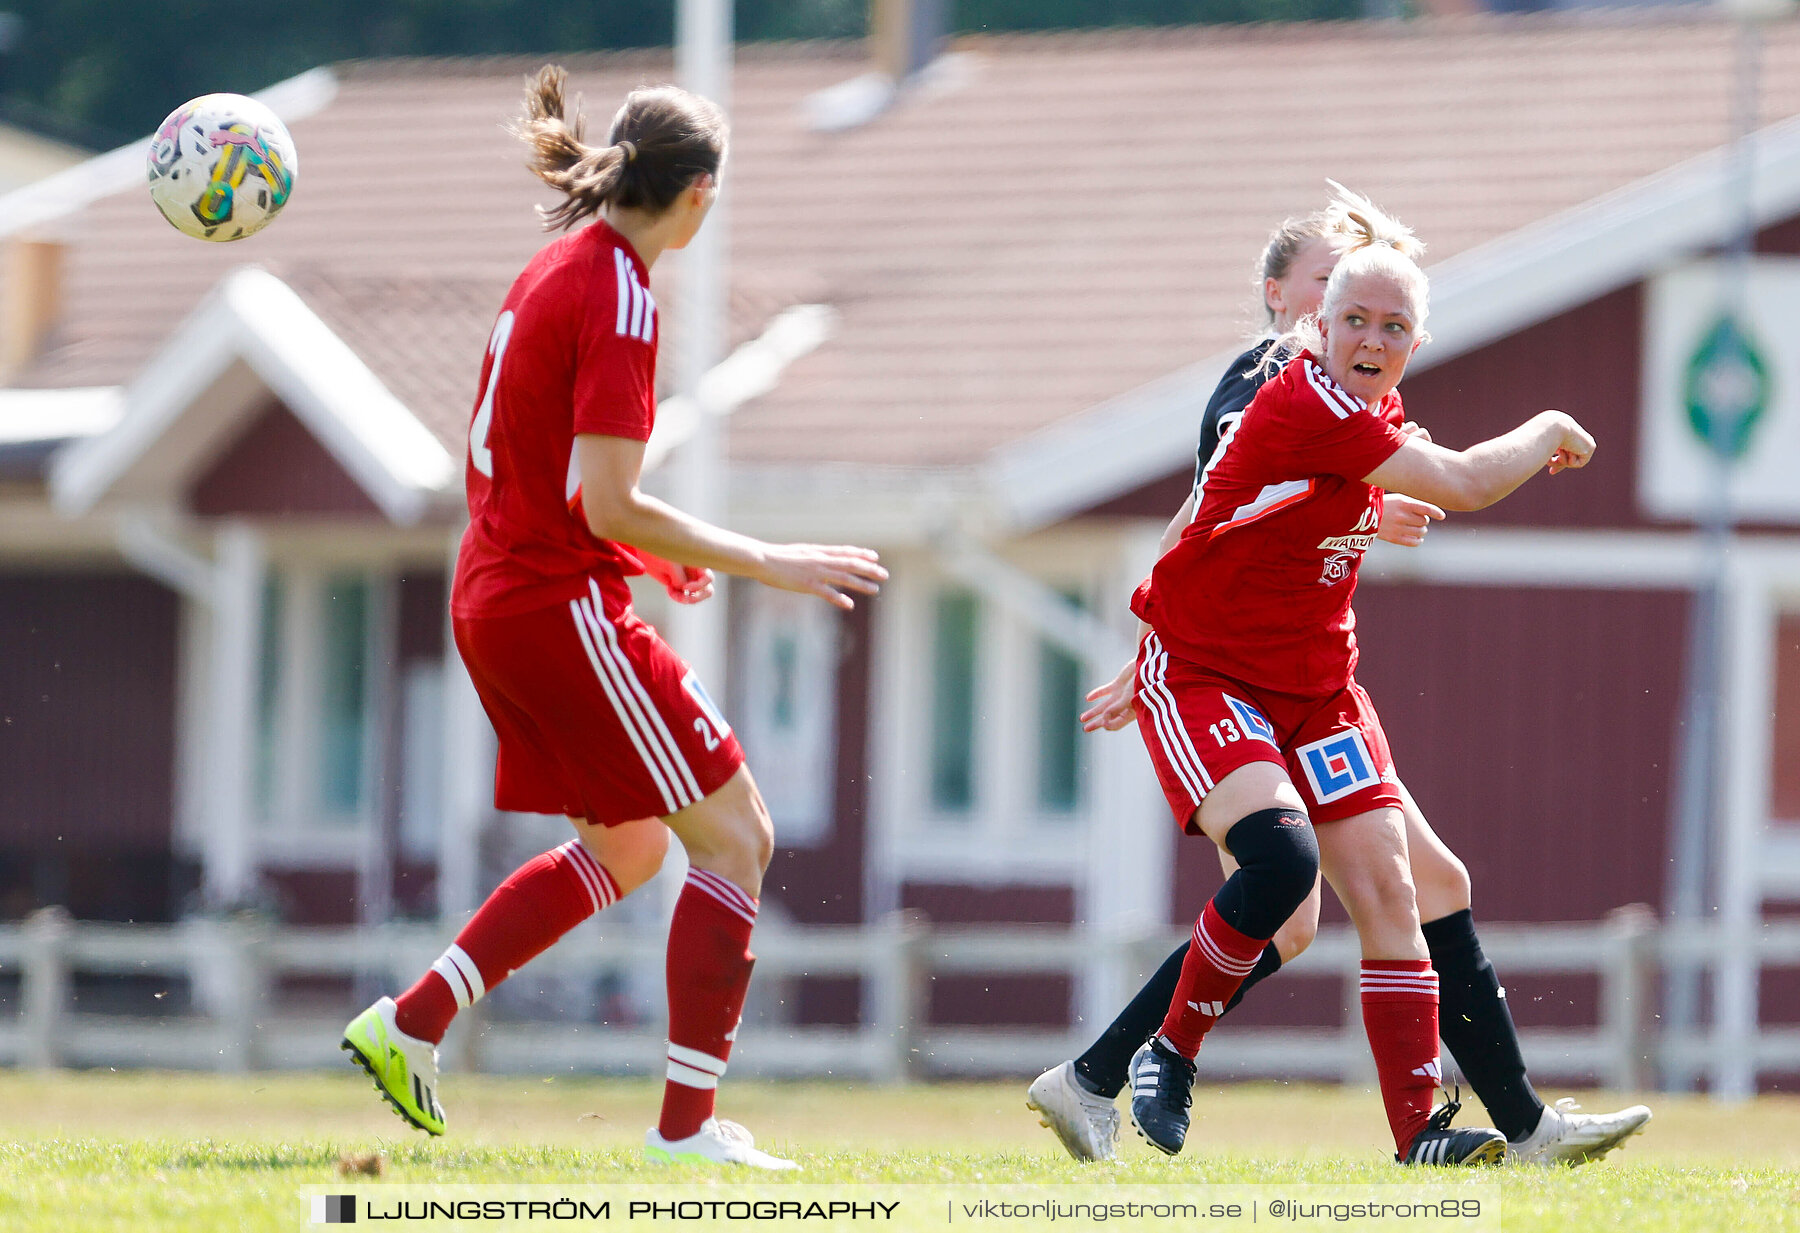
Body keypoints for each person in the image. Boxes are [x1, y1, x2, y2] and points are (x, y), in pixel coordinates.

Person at [339, 66, 887, 1171]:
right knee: (738, 838)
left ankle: (410, 1023)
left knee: (632, 845)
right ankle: (687, 1131)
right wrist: (763, 557)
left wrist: (631, 550)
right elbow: (604, 496)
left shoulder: (559, 264)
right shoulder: (622, 293)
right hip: (551, 602)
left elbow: (559, 482)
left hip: (499, 593)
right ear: (699, 195)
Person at [1028, 208, 1652, 1165]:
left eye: (1390, 322)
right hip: (1221, 673)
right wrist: (1546, 429)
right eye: (1341, 303)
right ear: (1295, 309)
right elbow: (1253, 503)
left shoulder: (1362, 411)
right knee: (1289, 879)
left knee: (1411, 885)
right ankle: (1147, 1059)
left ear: (1416, 338)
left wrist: (1367, 506)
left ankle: (1468, 1134)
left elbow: (1279, 506)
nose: (1361, 329)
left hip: (1315, 686)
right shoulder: (1277, 385)